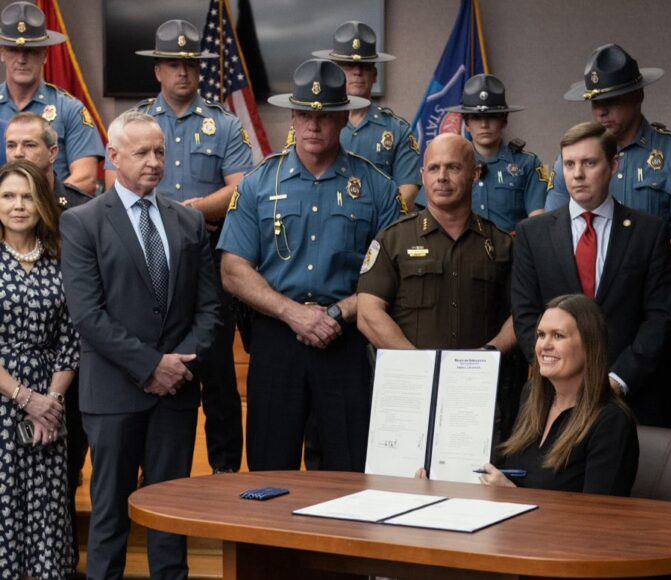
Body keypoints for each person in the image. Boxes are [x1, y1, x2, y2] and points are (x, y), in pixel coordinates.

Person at [60, 110, 222, 579]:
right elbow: (88, 315)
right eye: (142, 153)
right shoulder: (82, 223)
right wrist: (152, 366)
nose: (154, 162)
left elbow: (210, 309)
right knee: (110, 519)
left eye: (160, 152)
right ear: (113, 155)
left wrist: (178, 367)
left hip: (176, 395)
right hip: (113, 395)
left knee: (170, 520)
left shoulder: (188, 222)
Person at [218, 59, 400, 473]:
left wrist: (336, 313)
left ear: (344, 118)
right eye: (304, 115)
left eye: (325, 116)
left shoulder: (377, 187)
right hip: (277, 339)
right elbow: (232, 269)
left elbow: (391, 275)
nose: (313, 126)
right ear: (293, 118)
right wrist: (292, 313)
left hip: (346, 341)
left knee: (349, 471)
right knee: (268, 469)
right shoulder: (258, 183)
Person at [107, 18, 252, 476]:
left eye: (190, 63)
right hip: (144, 264)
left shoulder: (224, 124)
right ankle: (154, 473)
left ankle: (225, 475)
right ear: (158, 70)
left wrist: (191, 212)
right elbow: (114, 187)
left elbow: (242, 189)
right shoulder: (137, 124)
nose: (183, 71)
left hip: (205, 259)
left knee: (219, 376)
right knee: (153, 360)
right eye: (173, 63)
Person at [512, 122, 671, 429]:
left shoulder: (649, 233)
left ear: (613, 166)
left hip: (634, 399)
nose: (578, 174)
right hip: (558, 399)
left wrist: (619, 378)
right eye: (569, 164)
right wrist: (560, 375)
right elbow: (526, 316)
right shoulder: (532, 234)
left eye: (589, 163)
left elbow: (659, 317)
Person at [355, 133, 519, 438]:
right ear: (422, 175)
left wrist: (487, 355)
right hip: (408, 389)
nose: (441, 177)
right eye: (433, 168)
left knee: (475, 469)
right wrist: (421, 365)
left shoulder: (500, 244)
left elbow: (521, 314)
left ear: (475, 174)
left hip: (476, 391)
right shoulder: (394, 239)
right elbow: (367, 314)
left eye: (453, 168)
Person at [5, 111, 91, 575]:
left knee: (49, 511)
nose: (18, 206)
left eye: (26, 197)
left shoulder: (59, 255)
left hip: (53, 408)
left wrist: (52, 401)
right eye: (7, 196)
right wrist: (25, 399)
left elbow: (71, 335)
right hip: (5, 401)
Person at [545, 43, 671, 269]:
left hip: (655, 284)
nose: (601, 111)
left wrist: (630, 275)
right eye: (595, 102)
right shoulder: (571, 161)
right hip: (586, 284)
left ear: (638, 96)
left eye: (611, 101)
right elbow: (552, 235)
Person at [480, 294, 639, 496]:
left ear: (589, 346)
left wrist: (512, 494)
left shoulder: (612, 421)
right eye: (541, 335)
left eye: (558, 336)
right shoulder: (531, 396)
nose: (544, 345)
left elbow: (597, 512)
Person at [314, 20, 421, 210]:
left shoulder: (398, 130)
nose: (357, 72)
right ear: (335, 74)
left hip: (382, 225)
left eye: (365, 66)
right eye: (349, 65)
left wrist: (377, 223)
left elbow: (408, 190)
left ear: (375, 75)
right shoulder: (314, 126)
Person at [0, 2, 104, 196]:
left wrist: (37, 204)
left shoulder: (70, 109)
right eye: (14, 50)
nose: (21, 59)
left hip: (56, 211)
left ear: (45, 56)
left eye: (31, 51)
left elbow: (86, 178)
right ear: (2, 53)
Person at [440, 73, 549, 233]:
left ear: (504, 121)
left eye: (491, 116)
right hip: (461, 247)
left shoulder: (528, 163)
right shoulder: (449, 165)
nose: (484, 124)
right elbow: (433, 214)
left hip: (513, 247)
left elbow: (538, 222)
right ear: (467, 123)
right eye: (476, 117)